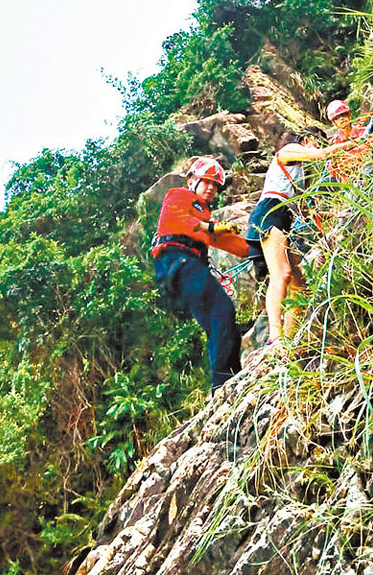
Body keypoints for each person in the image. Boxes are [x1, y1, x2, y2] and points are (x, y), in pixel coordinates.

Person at [245, 130, 360, 344]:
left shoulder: (297, 173)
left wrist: (335, 216)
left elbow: (306, 211)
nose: (316, 146)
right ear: (307, 140)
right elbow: (321, 155)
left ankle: (289, 338)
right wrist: (353, 143)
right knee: (281, 273)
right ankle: (274, 336)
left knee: (299, 285)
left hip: (282, 215)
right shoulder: (288, 151)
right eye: (315, 142)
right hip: (270, 213)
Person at [151, 156, 250, 391]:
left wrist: (256, 248)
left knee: (221, 321)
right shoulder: (179, 196)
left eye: (215, 186)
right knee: (222, 312)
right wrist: (210, 226)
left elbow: (226, 240)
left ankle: (231, 377)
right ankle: (223, 384)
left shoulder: (203, 215)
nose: (211, 189)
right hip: (178, 261)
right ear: (192, 180)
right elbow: (182, 220)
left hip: (183, 266)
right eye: (206, 182)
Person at [325, 99, 372, 181]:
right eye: (337, 118)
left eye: (343, 115)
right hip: (349, 182)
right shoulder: (334, 143)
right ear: (334, 123)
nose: (341, 119)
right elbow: (332, 171)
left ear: (349, 116)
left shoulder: (363, 132)